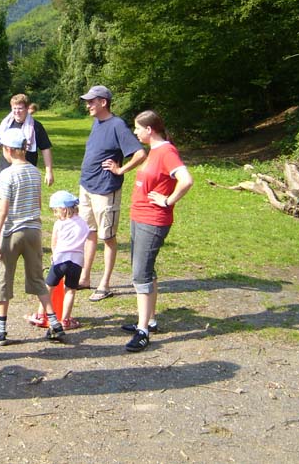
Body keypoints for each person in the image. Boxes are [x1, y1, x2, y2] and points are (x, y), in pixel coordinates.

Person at [122, 110, 193, 352]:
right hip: (140, 217)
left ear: (149, 129)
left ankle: (142, 331)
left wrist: (168, 200)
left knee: (140, 275)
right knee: (146, 270)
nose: (135, 132)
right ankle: (150, 320)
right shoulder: (154, 150)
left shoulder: (166, 151)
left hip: (152, 221)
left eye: (137, 128)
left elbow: (186, 180)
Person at [0, 128, 65, 345]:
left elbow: (2, 209)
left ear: (9, 150)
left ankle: (1, 331)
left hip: (11, 232)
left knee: (3, 278)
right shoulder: (35, 172)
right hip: (33, 231)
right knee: (37, 278)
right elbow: (38, 202)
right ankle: (55, 324)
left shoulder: (7, 174)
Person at [77, 85, 147, 301]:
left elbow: (140, 153)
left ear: (103, 102)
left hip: (105, 189)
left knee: (107, 236)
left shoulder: (117, 125)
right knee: (88, 232)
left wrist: (121, 170)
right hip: (87, 186)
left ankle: (105, 284)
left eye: (91, 101)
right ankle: (84, 278)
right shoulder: (97, 123)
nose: (88, 105)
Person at [25, 190, 90, 330]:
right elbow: (85, 240)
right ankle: (65, 320)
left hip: (60, 260)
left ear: (64, 209)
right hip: (77, 262)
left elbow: (54, 242)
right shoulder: (83, 224)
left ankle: (41, 314)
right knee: (70, 290)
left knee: (48, 287)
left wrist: (54, 255)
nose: (55, 214)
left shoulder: (59, 224)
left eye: (56, 211)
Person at [0, 94, 54, 186]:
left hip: (26, 173)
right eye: (14, 108)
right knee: (2, 195)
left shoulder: (36, 127)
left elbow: (45, 149)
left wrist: (49, 171)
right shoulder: (5, 125)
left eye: (20, 108)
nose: (17, 111)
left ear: (27, 108)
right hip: (5, 170)